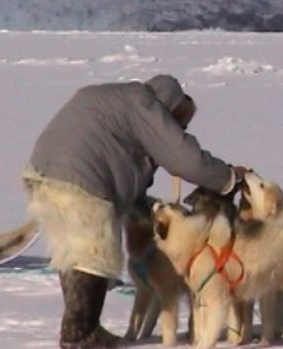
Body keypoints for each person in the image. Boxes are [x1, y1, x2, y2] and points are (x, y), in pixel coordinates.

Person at [22, 74, 247, 348]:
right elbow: (185, 159)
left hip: (43, 172)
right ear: (171, 110)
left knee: (73, 254)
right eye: (179, 124)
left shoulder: (117, 98)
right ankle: (79, 335)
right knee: (93, 256)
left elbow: (119, 159)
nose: (178, 130)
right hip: (78, 178)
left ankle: (84, 327)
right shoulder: (146, 107)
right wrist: (229, 178)